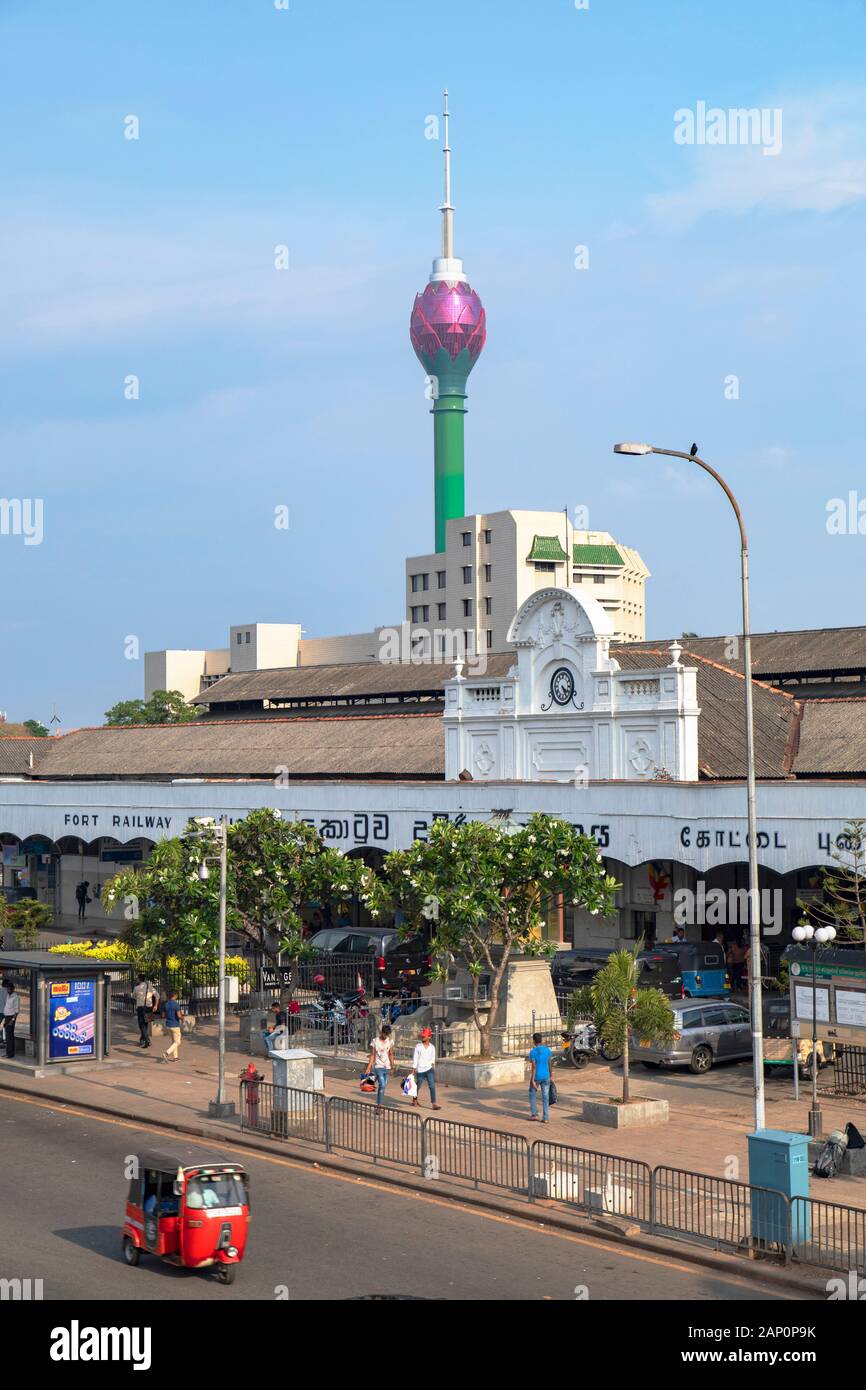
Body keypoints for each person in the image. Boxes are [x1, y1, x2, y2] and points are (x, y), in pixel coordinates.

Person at [410, 1026, 441, 1110]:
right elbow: (415, 1058)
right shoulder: (418, 1046)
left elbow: (432, 1058)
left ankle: (434, 1103)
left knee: (432, 1086)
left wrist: (432, 1066)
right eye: (422, 1036)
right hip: (420, 1070)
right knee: (418, 1086)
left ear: (429, 1037)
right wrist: (414, 1069)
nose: (423, 1037)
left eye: (424, 1036)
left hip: (429, 1069)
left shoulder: (432, 1047)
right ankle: (414, 1099)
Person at [528, 1031, 553, 1123]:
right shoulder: (547, 1050)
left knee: (532, 1093)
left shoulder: (533, 1052)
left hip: (537, 1076)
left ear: (534, 1041)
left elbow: (534, 1067)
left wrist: (533, 1080)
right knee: (545, 1097)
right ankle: (546, 1118)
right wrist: (551, 1074)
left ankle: (534, 1114)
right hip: (546, 1076)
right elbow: (550, 1063)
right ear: (541, 1040)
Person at [368, 1023, 394, 1110]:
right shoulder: (375, 1041)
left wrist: (392, 1066)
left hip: (387, 1067)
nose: (386, 1036)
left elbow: (391, 1054)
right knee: (382, 1085)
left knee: (383, 1086)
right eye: (385, 1034)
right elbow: (372, 1055)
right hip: (378, 1066)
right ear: (381, 1032)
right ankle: (379, 1106)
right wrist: (368, 1067)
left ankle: (375, 1081)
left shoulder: (390, 1041)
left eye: (388, 1034)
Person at [132, 975, 158, 1048]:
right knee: (145, 1024)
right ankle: (142, 1039)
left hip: (141, 1009)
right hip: (149, 1008)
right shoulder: (150, 987)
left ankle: (147, 1040)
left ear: (140, 979)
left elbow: (133, 996)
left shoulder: (136, 988)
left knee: (141, 1025)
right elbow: (157, 996)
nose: (136, 979)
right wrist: (155, 1006)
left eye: (137, 978)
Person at [160, 990, 185, 1063]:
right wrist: (182, 1018)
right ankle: (166, 1053)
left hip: (168, 1024)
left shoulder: (166, 1004)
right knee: (178, 1042)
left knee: (174, 1042)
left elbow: (163, 1015)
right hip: (175, 1025)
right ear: (175, 996)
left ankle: (175, 1057)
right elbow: (179, 1015)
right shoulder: (176, 1004)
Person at [2, 979, 20, 1060]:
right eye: (7, 988)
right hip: (7, 1017)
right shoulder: (8, 996)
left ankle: (10, 1054)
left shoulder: (15, 997)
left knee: (9, 1036)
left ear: (13, 989)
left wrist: (12, 1021)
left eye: (9, 989)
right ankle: (8, 1052)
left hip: (11, 1018)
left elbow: (16, 1011)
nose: (8, 990)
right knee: (7, 1036)